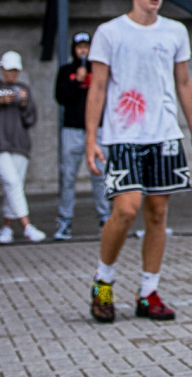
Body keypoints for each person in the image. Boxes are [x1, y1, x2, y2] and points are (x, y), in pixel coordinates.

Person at [86, 0, 192, 324]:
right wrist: (92, 138)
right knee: (126, 210)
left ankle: (148, 293)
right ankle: (103, 284)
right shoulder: (109, 32)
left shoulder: (175, 31)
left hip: (164, 134)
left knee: (157, 213)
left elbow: (183, 83)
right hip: (123, 135)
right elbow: (97, 87)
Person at [53, 32, 110, 241]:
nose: (83, 51)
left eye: (86, 46)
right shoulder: (66, 71)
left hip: (98, 130)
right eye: (80, 47)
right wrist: (76, 81)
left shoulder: (99, 70)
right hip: (73, 130)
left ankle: (105, 219)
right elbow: (61, 97)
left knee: (100, 176)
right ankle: (64, 220)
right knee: (68, 176)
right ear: (74, 49)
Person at [0, 51, 44, 244]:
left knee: (15, 185)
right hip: (1, 146)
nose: (12, 74)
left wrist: (24, 103)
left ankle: (7, 228)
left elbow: (31, 119)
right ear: (2, 69)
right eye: (8, 70)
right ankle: (27, 226)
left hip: (20, 145)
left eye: (15, 70)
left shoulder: (23, 89)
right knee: (12, 183)